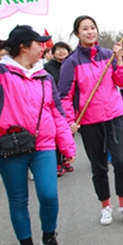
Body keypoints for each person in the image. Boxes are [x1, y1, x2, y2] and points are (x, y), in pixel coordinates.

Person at [0, 2, 77, 245]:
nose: (44, 47)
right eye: (39, 43)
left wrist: (66, 143)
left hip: (43, 147)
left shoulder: (44, 77)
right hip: (10, 148)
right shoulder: (0, 75)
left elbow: (56, 111)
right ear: (24, 47)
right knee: (18, 201)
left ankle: (49, 237)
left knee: (49, 195)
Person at [58, 16, 123, 226]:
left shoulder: (108, 55)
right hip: (90, 121)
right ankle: (105, 207)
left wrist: (119, 59)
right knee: (99, 166)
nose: (90, 32)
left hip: (115, 115)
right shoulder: (72, 62)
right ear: (77, 34)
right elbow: (65, 96)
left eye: (92, 28)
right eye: (85, 29)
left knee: (122, 160)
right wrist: (70, 120)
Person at [43, 41, 74, 176]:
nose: (61, 52)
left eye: (64, 49)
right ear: (53, 53)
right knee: (56, 133)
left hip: (70, 103)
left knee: (69, 132)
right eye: (58, 50)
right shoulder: (47, 68)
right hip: (54, 103)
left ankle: (67, 158)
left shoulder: (72, 64)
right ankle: (58, 162)